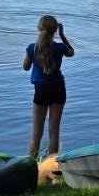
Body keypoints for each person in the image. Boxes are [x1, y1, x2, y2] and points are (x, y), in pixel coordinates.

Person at [22, 13, 74, 159]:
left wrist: (32, 57)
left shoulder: (32, 48)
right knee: (54, 131)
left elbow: (25, 67)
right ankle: (52, 168)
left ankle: (32, 166)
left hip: (41, 90)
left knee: (36, 133)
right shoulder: (60, 47)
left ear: (39, 28)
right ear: (55, 30)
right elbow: (72, 53)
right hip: (58, 89)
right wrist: (62, 36)